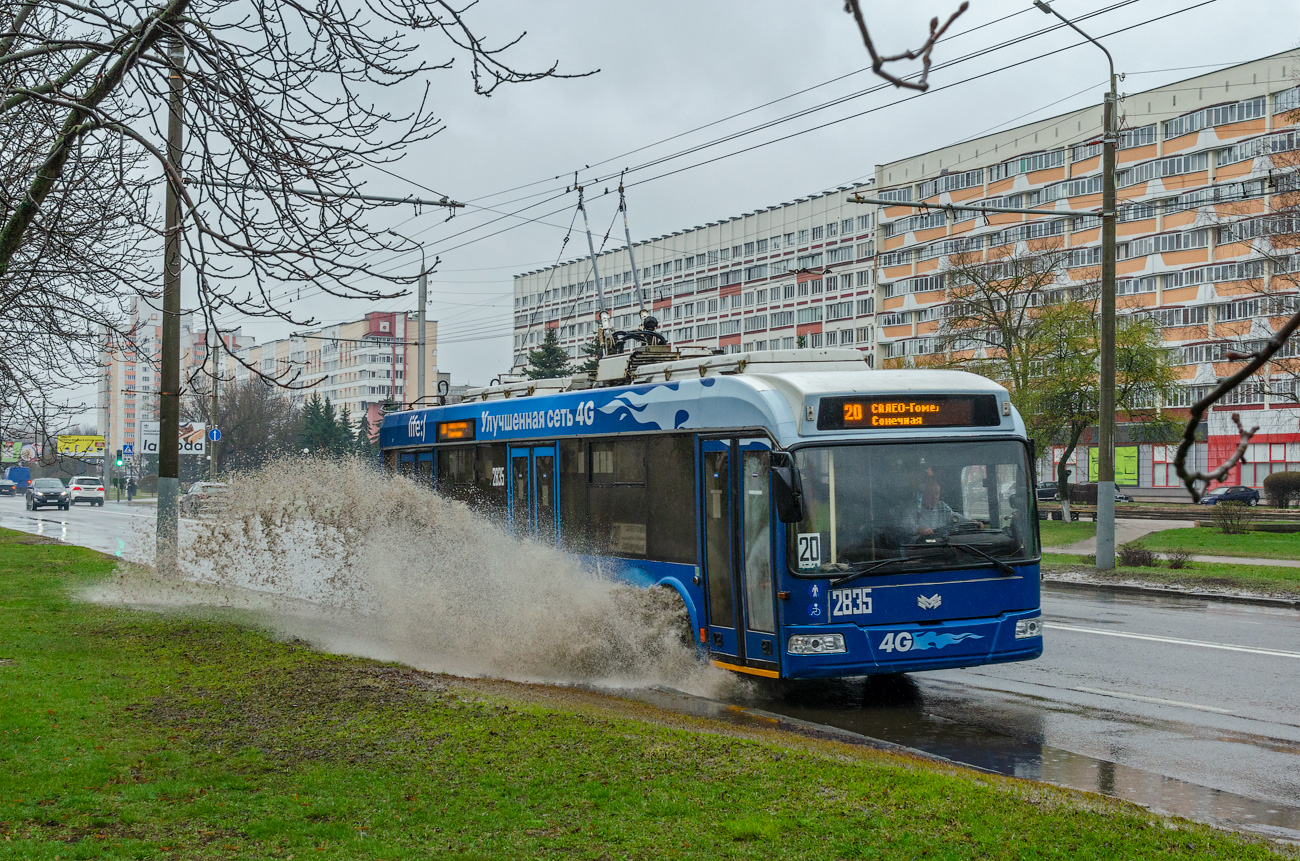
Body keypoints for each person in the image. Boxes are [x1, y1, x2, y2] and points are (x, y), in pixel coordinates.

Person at [901, 476, 969, 538]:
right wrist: (918, 529)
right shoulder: (912, 510)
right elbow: (906, 526)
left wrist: (972, 523)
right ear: (922, 494)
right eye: (930, 493)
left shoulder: (942, 506)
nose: (934, 497)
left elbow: (955, 518)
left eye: (937, 493)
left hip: (943, 544)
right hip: (920, 547)